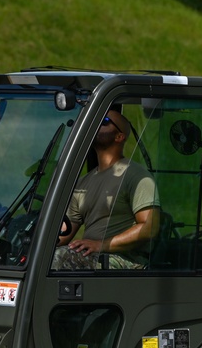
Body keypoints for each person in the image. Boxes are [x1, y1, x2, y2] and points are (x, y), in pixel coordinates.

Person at [52, 109, 160, 269]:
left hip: (124, 260)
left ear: (119, 136)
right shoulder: (83, 183)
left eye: (104, 121)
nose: (96, 124)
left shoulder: (137, 177)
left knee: (57, 258)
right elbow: (64, 232)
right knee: (41, 255)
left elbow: (149, 228)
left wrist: (101, 245)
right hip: (90, 256)